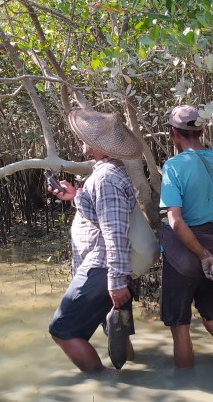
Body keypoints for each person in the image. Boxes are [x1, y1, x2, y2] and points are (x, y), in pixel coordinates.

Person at [47, 108, 143, 372]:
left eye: (87, 137)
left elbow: (114, 232)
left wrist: (116, 281)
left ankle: (104, 388)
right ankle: (135, 380)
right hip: (108, 269)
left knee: (62, 330)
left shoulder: (105, 179)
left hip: (103, 268)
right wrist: (75, 195)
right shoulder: (107, 173)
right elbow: (103, 216)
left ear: (98, 146)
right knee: (117, 331)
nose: (82, 140)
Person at [159, 104, 213, 368]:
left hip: (184, 256)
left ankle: (187, 387)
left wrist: (201, 256)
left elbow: (175, 221)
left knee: (180, 326)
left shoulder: (173, 167)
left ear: (174, 133)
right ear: (202, 130)